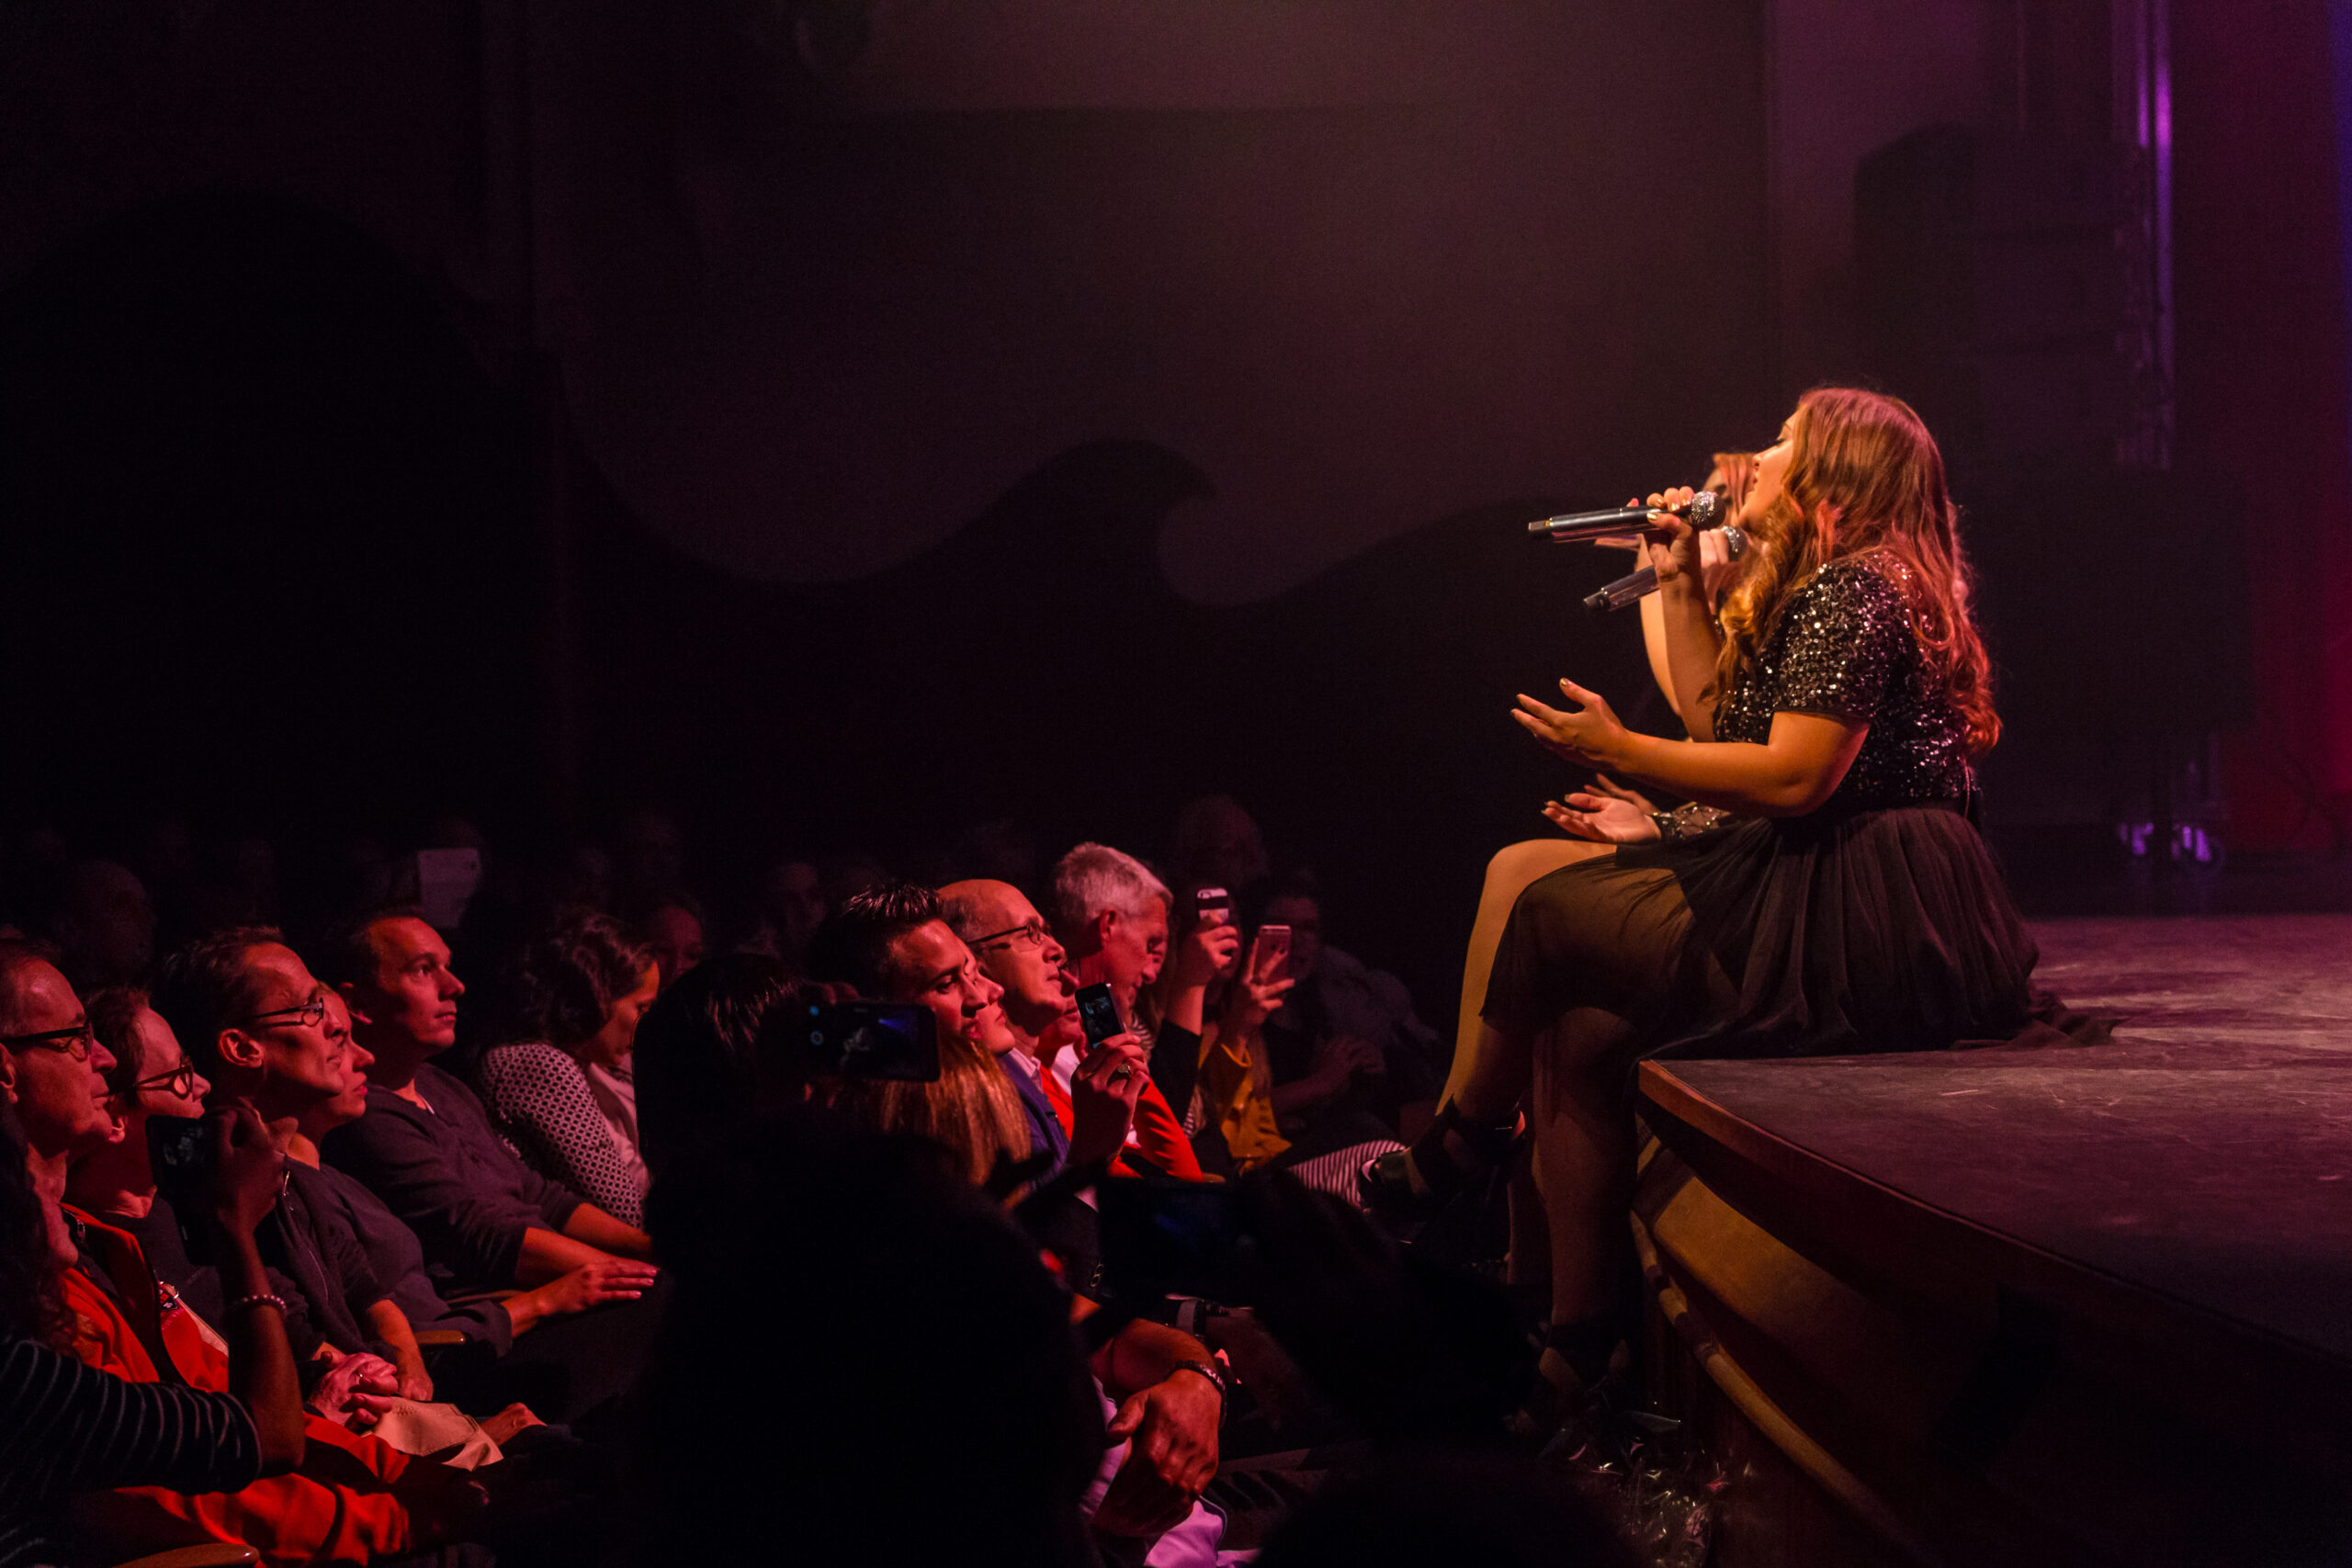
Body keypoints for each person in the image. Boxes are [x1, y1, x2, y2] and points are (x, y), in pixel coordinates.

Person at [1368, 389, 2097, 1419]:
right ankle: (1572, 1335)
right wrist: (1672, 580)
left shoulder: (1855, 590)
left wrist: (1621, 755)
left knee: (1550, 914)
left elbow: (1794, 779)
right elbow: (1718, 724)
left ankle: (1466, 1145)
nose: (1752, 461)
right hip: (1841, 871)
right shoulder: (1856, 583)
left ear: (1833, 479)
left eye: (1779, 445)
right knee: (1578, 1027)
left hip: (1864, 903)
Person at [2, 943, 483, 1564]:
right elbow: (246, 1441)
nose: (103, 1059)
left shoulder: (102, 1246)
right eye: (75, 1037)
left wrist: (429, 1487)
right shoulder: (43, 1294)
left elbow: (226, 1416)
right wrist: (409, 1517)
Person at [1, 1093, 308, 1568]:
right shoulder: (19, 1378)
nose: (50, 1191)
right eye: (28, 1173)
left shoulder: (104, 1251)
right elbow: (267, 1435)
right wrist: (233, 1227)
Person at [315, 908, 655, 1295]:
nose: (455, 985)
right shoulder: (365, 1113)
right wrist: (639, 1274)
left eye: (448, 966)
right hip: (499, 1313)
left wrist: (654, 1251)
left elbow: (539, 1194)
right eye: (423, 970)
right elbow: (480, 1233)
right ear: (357, 1002)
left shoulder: (440, 1085)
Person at [939, 878, 1194, 1180]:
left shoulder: (1033, 1073)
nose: (1057, 950)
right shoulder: (993, 1086)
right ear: (974, 963)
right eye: (1031, 933)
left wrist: (1130, 1072)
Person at [475, 912, 657, 1226]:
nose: (647, 1025)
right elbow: (625, 1209)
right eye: (641, 1008)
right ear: (598, 996)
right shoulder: (539, 1064)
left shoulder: (576, 1062)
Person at [1050, 842, 1226, 1118]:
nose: (1152, 974)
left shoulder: (1096, 1006)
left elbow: (1148, 1119)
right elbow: (1150, 1126)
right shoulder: (1050, 1012)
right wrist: (1191, 985)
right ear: (1107, 925)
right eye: (1149, 943)